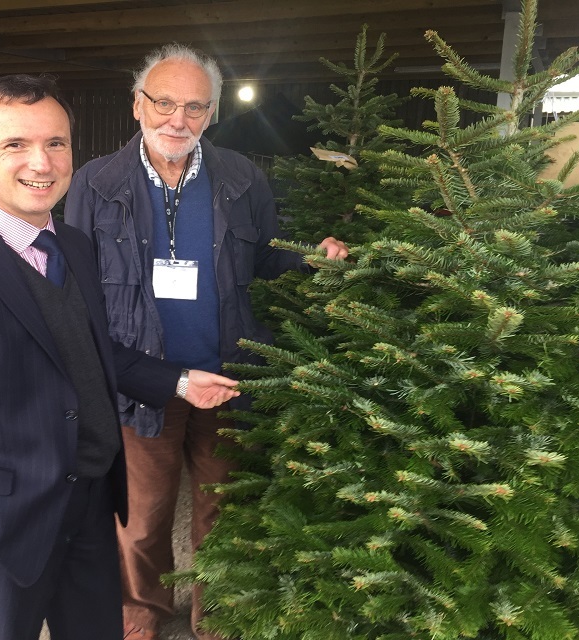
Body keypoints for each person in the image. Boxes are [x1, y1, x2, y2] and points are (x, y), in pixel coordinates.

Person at [0, 74, 240, 640]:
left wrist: (181, 382)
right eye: (15, 144)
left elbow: (95, 352)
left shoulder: (73, 247)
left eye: (56, 144)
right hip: (5, 520)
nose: (41, 163)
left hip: (90, 499)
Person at [64, 44, 349, 640]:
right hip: (143, 379)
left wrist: (311, 260)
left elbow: (267, 260)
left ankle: (214, 610)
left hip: (226, 376)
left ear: (211, 113)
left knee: (221, 508)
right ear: (137, 105)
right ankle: (142, 607)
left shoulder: (242, 178)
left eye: (194, 107)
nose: (178, 119)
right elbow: (79, 282)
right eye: (164, 102)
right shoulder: (97, 182)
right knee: (142, 516)